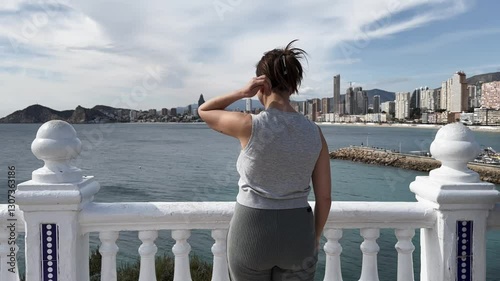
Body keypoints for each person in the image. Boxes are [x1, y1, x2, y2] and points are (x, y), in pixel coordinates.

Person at [198, 40, 332, 281]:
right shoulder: (315, 132)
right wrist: (314, 237)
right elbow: (324, 198)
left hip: (252, 232)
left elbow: (204, 111)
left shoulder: (250, 124)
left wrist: (242, 92)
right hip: (298, 233)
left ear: (262, 83)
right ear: (293, 85)